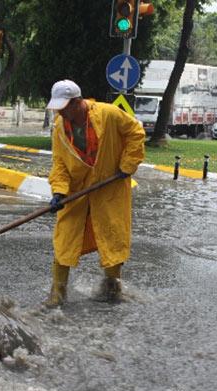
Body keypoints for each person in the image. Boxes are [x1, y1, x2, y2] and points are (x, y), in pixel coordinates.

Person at [44, 79, 145, 307]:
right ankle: (57, 294)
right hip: (78, 190)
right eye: (58, 108)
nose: (60, 112)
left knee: (112, 236)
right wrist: (59, 192)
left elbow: (135, 132)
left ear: (78, 102)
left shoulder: (108, 114)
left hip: (109, 186)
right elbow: (59, 163)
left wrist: (127, 165)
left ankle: (112, 287)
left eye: (64, 107)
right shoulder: (60, 127)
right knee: (64, 238)